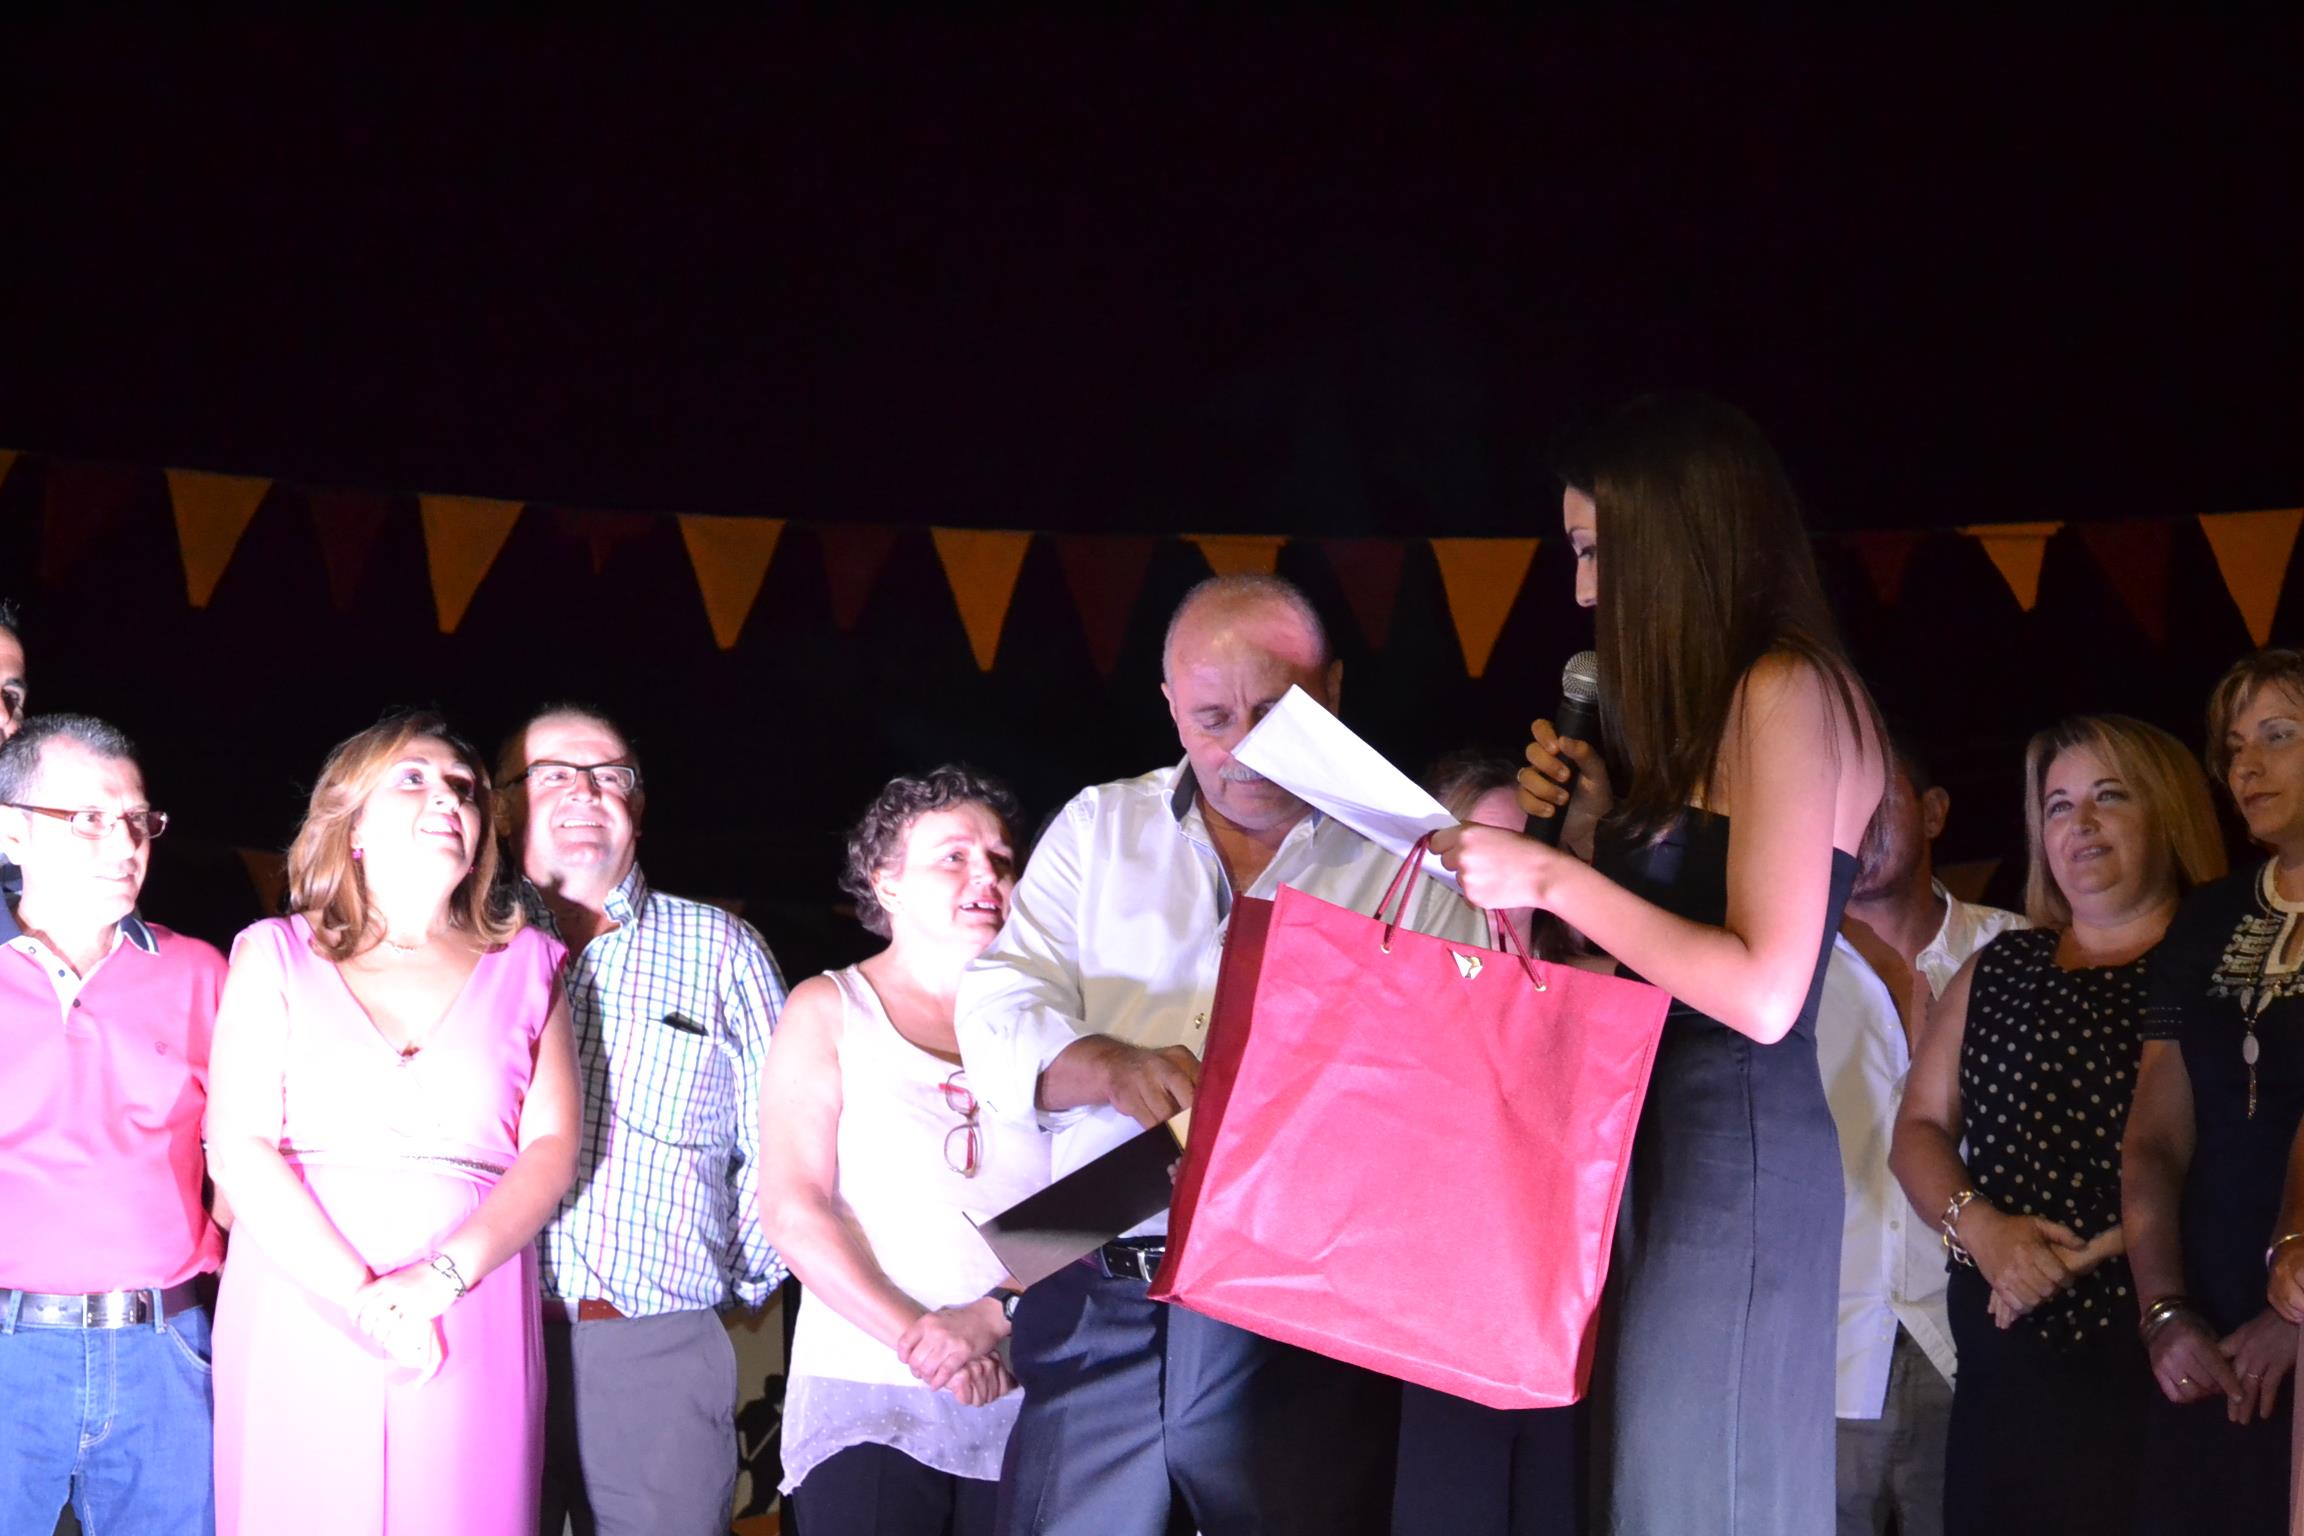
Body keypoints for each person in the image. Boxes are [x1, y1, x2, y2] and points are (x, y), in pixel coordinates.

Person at [1435, 394, 1885, 1536]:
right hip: (1649, 1140)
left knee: (1701, 1497)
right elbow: (1647, 961)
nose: (1585, 592)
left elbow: (1764, 993)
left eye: (1596, 551)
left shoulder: (1788, 689)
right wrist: (1591, 835)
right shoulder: (1711, 710)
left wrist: (1554, 878)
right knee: (1647, 1494)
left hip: (1731, 1148)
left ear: (1676, 537)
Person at [958, 572, 1485, 1536]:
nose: (1244, 749)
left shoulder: (1415, 860)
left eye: (1275, 714)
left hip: (1306, 1302)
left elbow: (1458, 1088)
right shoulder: (1100, 827)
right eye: (1212, 718)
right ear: (1169, 706)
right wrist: (1109, 1067)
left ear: (1332, 692)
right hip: (1094, 1278)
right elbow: (997, 1005)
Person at [204, 711, 579, 1534]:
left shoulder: (528, 965)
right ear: (352, 825)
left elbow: (551, 1151)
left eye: (463, 788)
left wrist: (438, 1280)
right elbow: (238, 1145)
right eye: (412, 778)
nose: (448, 797)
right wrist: (365, 1299)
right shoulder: (272, 952)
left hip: (468, 1300)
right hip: (299, 1297)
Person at [1889, 716, 2223, 1535]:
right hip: (2006, 1364)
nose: (2083, 823)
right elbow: (1917, 1132)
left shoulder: (2217, 967)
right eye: (2060, 805)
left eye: (2111, 797)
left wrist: (2090, 1252)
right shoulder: (2000, 965)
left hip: (2163, 1354)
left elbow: (2231, 1159)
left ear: (2168, 812)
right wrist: (1987, 1232)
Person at [500, 704, 788, 1536]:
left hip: (657, 1350)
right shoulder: (463, 944)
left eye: (610, 775)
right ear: (504, 804)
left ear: (639, 805)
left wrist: (728, 1286)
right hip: (488, 1340)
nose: (585, 791)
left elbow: (785, 1142)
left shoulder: (723, 950)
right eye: (555, 773)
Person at [761, 767, 1049, 1535]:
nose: (987, 875)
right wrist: (925, 1344)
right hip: (871, 1387)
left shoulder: (1056, 1020)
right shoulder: (829, 1007)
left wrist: (993, 1317)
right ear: (885, 882)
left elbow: (1093, 1198)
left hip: (1027, 1386)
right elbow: (793, 1209)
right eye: (954, 857)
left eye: (1001, 858)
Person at [0, 715, 224, 1536]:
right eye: (90, 818)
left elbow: (245, 1157)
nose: (126, 843)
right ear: (12, 832)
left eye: (137, 819)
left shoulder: (200, 971)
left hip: (164, 1351)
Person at [1821, 727, 2027, 1536]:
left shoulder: (2017, 950)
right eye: (1834, 802)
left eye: (1878, 800)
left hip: (1975, 1347)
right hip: (1824, 1360)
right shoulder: (1780, 963)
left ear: (1934, 811)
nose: (1854, 822)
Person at [2125, 650, 2304, 1532]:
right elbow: (2155, 1138)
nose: (2246, 767)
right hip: (2206, 1320)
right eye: (2235, 748)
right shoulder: (2204, 919)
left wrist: (2296, 1313)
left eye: (2278, 736)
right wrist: (2165, 1314)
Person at [1391, 752, 1579, 1536]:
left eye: (1518, 857)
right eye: (1472, 861)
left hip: (1555, 1330)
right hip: (1417, 1326)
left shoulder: (1595, 995)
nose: (1495, 889)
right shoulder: (1396, 998)